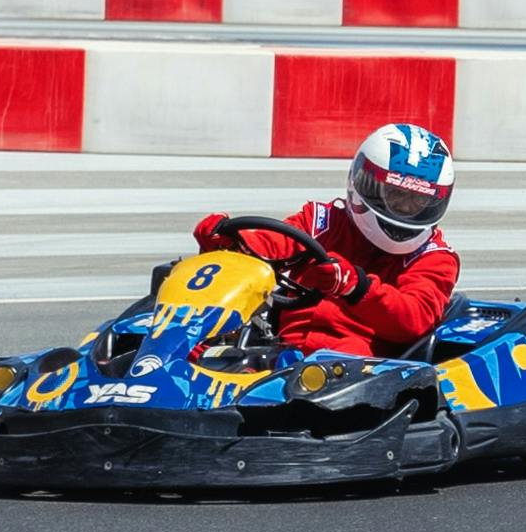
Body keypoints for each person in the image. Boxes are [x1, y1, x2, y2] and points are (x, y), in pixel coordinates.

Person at [194, 121, 461, 356]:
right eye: (396, 195)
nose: (404, 208)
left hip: (358, 369)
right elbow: (273, 243)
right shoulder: (323, 221)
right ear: (365, 182)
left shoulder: (434, 257)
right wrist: (232, 242)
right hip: (281, 349)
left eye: (417, 200)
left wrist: (356, 287)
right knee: (199, 341)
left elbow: (414, 318)